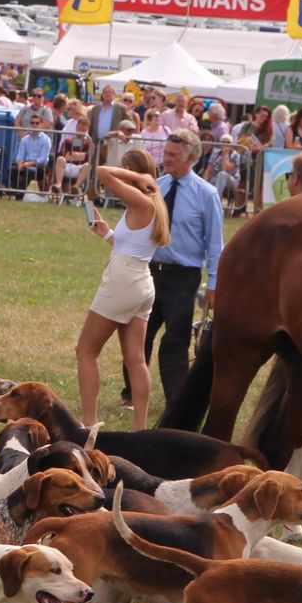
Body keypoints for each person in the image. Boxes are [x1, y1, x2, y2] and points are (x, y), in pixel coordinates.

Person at [127, 128, 225, 409]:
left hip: (183, 276)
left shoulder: (206, 194)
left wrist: (214, 283)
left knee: (176, 339)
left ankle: (177, 400)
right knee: (139, 334)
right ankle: (131, 393)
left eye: (173, 155)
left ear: (191, 158)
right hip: (150, 270)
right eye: (166, 153)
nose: (166, 159)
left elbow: (215, 243)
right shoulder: (156, 187)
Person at [79, 149, 172, 430]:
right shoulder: (151, 203)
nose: (122, 174)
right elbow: (132, 246)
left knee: (85, 350)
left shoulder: (142, 199)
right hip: (141, 280)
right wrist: (107, 233)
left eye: (126, 169)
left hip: (124, 280)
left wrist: (138, 177)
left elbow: (102, 172)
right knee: (135, 359)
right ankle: (139, 428)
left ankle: (89, 422)